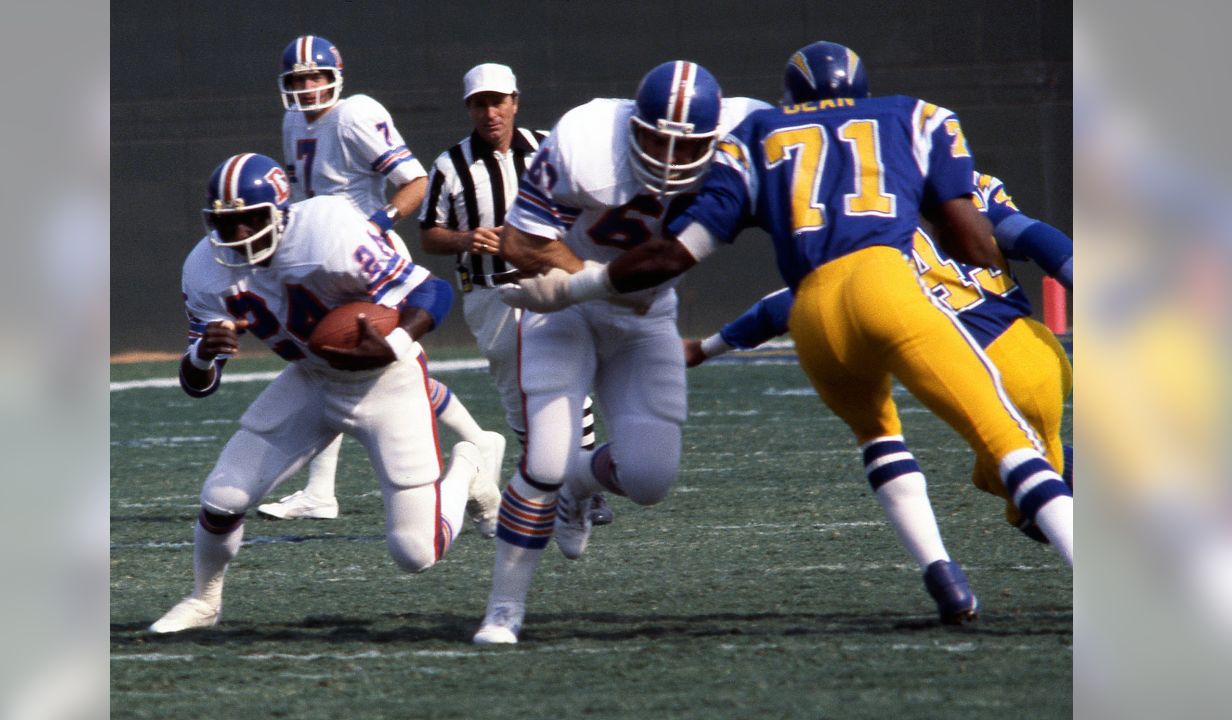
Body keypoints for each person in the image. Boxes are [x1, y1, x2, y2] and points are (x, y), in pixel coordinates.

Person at [500, 42, 1074, 626]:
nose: (673, 159)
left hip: (814, 309)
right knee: (1009, 445)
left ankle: (946, 578)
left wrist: (591, 293)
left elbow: (683, 255)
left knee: (878, 437)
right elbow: (986, 234)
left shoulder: (761, 137)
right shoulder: (914, 120)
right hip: (915, 303)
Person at [472, 61, 772, 644]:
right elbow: (518, 242)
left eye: (686, 146)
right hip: (568, 307)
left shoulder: (751, 134)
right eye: (656, 138)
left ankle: (581, 486)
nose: (668, 158)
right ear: (635, 124)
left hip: (647, 316)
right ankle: (503, 609)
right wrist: (593, 279)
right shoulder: (587, 138)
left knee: (650, 479)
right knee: (544, 460)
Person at [149, 153, 502, 633]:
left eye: (248, 220)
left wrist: (391, 344)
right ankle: (204, 600)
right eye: (225, 223)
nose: (236, 235)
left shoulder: (329, 229)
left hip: (385, 379)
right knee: (222, 497)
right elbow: (197, 386)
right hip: (312, 379)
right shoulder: (205, 269)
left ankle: (470, 467)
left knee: (416, 553)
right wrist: (202, 355)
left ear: (280, 210)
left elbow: (431, 292)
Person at [685, 169, 1074, 545]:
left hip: (992, 376)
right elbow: (1036, 238)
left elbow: (783, 307)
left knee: (1038, 507)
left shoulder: (861, 236)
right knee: (997, 473)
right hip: (1043, 350)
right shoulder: (965, 189)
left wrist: (708, 346)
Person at [261, 35, 505, 523]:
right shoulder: (292, 120)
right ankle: (320, 493)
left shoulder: (354, 114)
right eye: (299, 80)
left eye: (315, 77)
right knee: (331, 359)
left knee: (389, 364)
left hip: (365, 255)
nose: (308, 88)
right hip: (319, 256)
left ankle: (480, 442)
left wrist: (379, 223)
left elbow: (414, 181)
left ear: (336, 75)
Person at [419, 62, 613, 527]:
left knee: (570, 380)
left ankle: (582, 485)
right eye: (480, 103)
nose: (491, 112)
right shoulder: (449, 166)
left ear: (515, 102)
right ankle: (546, 483)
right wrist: (465, 240)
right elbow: (429, 234)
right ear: (469, 108)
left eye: (498, 101)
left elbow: (583, 203)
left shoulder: (548, 148)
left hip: (551, 282)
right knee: (516, 393)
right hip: (492, 291)